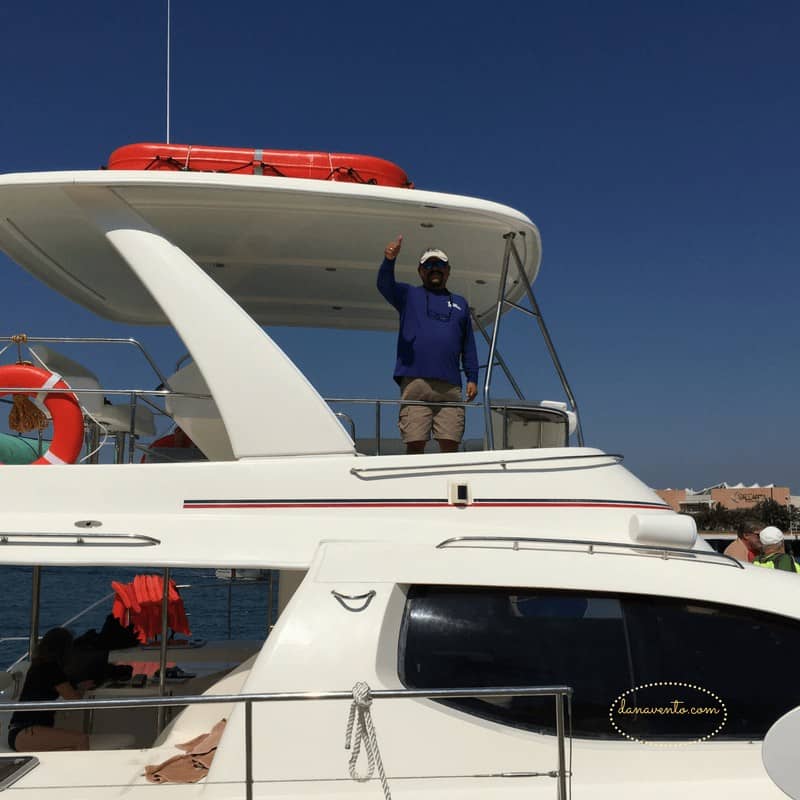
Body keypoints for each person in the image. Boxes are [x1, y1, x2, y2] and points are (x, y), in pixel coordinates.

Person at [378, 236, 478, 454]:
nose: (435, 269)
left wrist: (472, 377)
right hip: (415, 381)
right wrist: (389, 260)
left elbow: (468, 343)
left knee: (451, 444)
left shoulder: (460, 303)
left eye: (440, 265)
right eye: (429, 265)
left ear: (448, 270)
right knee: (415, 442)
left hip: (450, 385)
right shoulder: (408, 295)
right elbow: (384, 285)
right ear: (420, 271)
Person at [8, 627, 93, 751]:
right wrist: (82, 689)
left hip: (20, 731)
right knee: (81, 740)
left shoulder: (40, 665)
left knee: (70, 749)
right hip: (26, 731)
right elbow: (73, 698)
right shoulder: (52, 669)